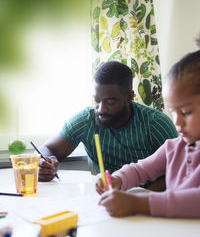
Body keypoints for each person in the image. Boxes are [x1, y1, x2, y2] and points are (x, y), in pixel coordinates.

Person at [96, 47, 200, 219]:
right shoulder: (173, 147)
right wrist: (118, 180)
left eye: (186, 112)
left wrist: (139, 203)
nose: (176, 122)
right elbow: (141, 170)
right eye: (173, 111)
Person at [38, 61, 177, 183]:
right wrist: (45, 163)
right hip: (107, 198)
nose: (101, 109)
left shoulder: (156, 124)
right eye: (96, 100)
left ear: (129, 97)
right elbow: (48, 149)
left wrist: (136, 199)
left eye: (110, 102)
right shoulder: (86, 120)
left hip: (150, 201)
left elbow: (178, 172)